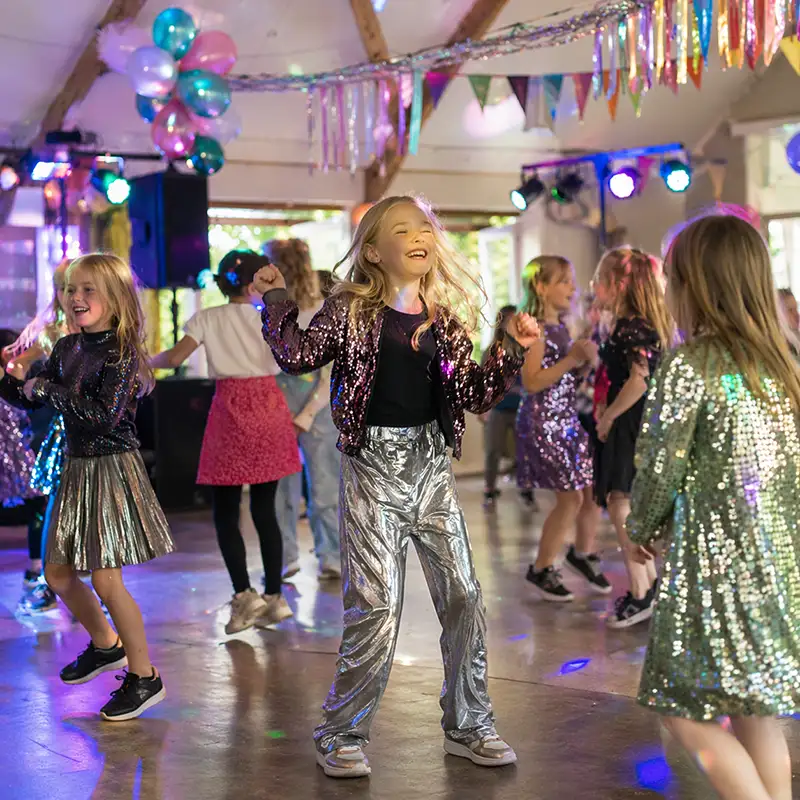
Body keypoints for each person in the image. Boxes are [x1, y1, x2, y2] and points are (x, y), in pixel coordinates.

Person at [257, 195, 539, 778]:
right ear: (375, 253)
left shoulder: (445, 322)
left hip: (432, 467)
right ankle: (340, 732)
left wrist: (510, 347)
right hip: (374, 470)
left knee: (464, 595)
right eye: (402, 229)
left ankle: (469, 723)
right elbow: (297, 354)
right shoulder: (349, 312)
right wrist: (277, 300)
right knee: (378, 604)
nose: (419, 236)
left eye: (426, 228)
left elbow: (473, 395)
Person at [627, 213, 800, 800]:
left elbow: (659, 463)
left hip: (714, 569)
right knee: (757, 713)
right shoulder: (782, 367)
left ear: (693, 287)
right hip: (779, 567)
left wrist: (640, 526)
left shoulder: (688, 366)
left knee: (682, 709)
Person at [0, 253, 174, 721]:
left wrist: (45, 390)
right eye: (71, 289)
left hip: (112, 469)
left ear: (116, 298)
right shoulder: (66, 348)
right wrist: (8, 382)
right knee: (57, 574)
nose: (75, 298)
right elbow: (31, 395)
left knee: (106, 579)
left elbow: (100, 417)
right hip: (76, 469)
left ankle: (145, 677)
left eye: (88, 290)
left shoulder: (121, 354)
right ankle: (105, 644)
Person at [151, 250, 300, 634]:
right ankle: (274, 598)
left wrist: (143, 360)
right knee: (265, 509)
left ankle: (243, 596)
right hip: (268, 405)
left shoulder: (207, 318)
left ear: (221, 282)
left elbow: (173, 358)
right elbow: (291, 358)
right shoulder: (268, 317)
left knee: (225, 511)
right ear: (257, 283)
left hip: (230, 408)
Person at [516, 257, 610, 601]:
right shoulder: (536, 328)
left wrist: (581, 364)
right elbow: (531, 381)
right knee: (570, 498)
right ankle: (541, 568)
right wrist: (572, 359)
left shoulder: (561, 327)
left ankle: (580, 553)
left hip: (566, 418)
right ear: (541, 287)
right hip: (545, 423)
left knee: (588, 492)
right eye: (564, 282)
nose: (572, 289)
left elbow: (564, 379)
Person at [592, 248, 675, 628]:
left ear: (618, 285)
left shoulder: (633, 327)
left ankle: (643, 592)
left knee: (621, 503)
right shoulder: (635, 324)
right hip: (634, 422)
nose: (594, 286)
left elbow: (639, 379)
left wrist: (609, 414)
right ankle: (646, 586)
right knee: (620, 502)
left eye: (600, 279)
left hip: (630, 423)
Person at [263, 238, 341, 581]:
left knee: (318, 486)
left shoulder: (319, 308)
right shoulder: (268, 309)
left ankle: (323, 556)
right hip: (289, 401)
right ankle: (311, 557)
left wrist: (305, 414)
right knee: (298, 487)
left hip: (315, 403)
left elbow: (329, 372)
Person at [3, 259, 73, 610]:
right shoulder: (48, 332)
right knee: (47, 506)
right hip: (49, 433)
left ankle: (90, 586)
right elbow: (15, 365)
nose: (71, 294)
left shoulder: (103, 334)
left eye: (80, 287)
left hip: (87, 435)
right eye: (63, 287)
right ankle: (43, 578)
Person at [481, 305, 523, 509]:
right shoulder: (492, 350)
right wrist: (484, 407)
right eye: (508, 319)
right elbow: (483, 381)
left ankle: (526, 490)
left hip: (521, 408)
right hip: (498, 408)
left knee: (523, 451)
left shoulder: (525, 347)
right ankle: (489, 489)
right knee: (493, 450)